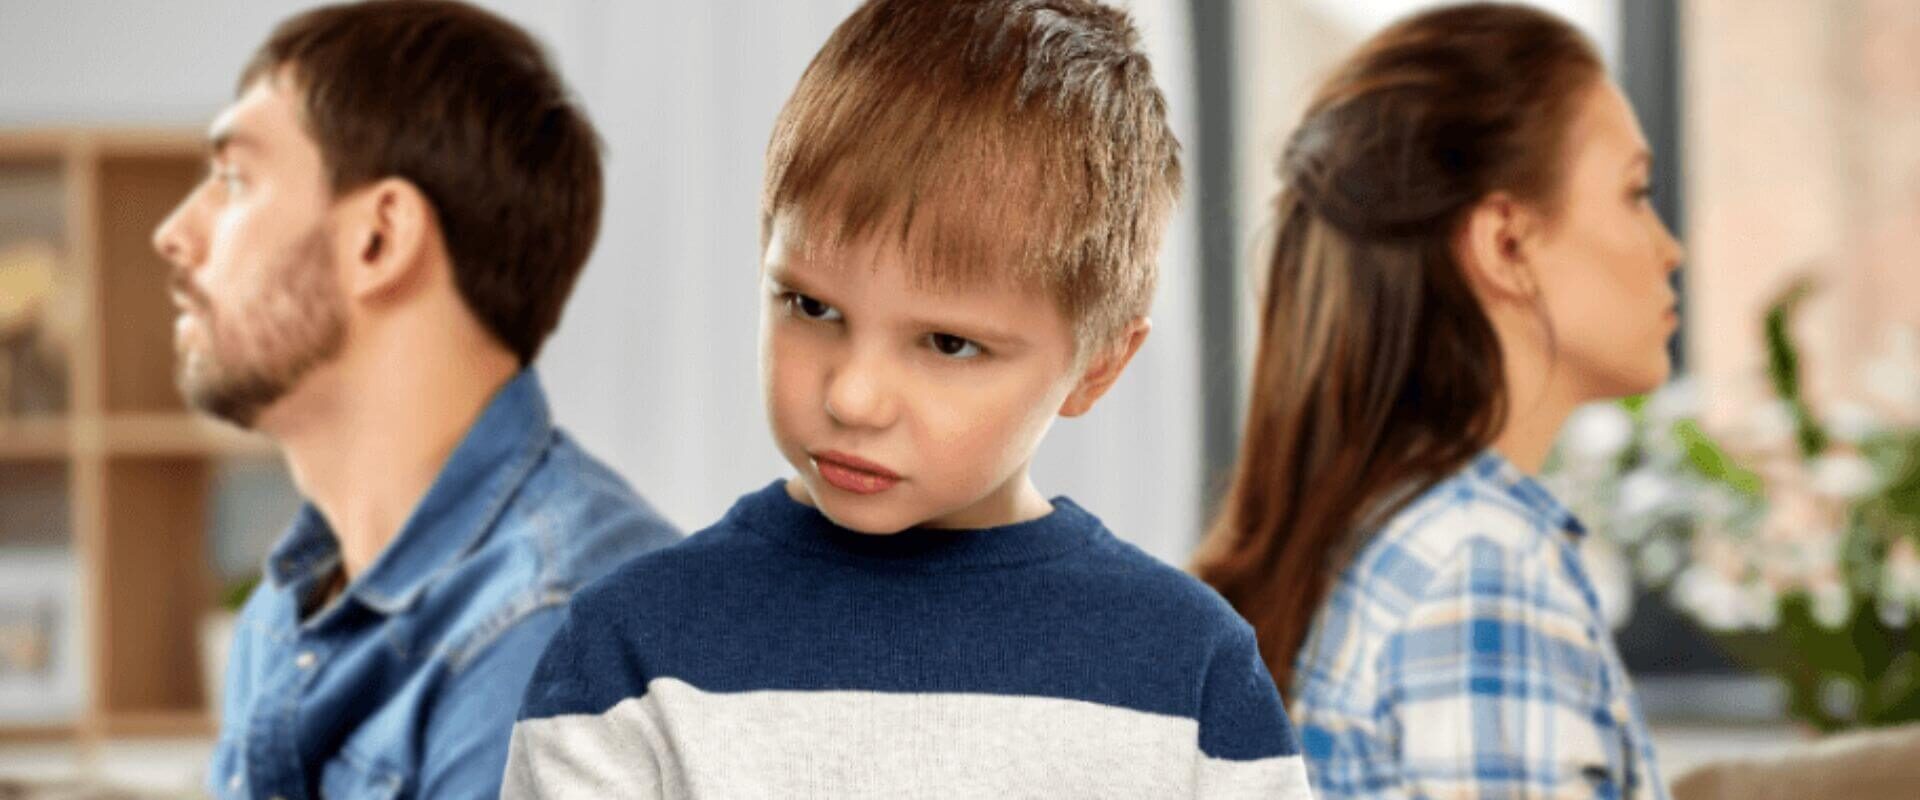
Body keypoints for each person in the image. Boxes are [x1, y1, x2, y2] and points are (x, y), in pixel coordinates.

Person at [503, 1, 1312, 796]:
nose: (853, 397)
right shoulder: (629, 654)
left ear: (1098, 365)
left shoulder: (1191, 675)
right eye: (811, 307)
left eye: (948, 344)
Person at [149, 2, 679, 796]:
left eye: (233, 179)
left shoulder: (553, 636)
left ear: (380, 237)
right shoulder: (284, 613)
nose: (173, 233)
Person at [1193, 3, 1683, 798]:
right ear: (1507, 244)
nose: (1670, 247)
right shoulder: (1483, 572)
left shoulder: (1398, 538)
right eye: (1636, 193)